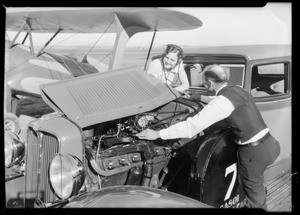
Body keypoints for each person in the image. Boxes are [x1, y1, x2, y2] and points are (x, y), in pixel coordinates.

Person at [136, 64, 280, 210]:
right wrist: (198, 97)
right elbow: (221, 101)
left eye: (203, 82)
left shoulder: (221, 103)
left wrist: (158, 133)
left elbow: (191, 126)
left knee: (257, 202)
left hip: (253, 155)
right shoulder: (238, 89)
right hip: (271, 144)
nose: (203, 84)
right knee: (256, 187)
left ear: (209, 83)